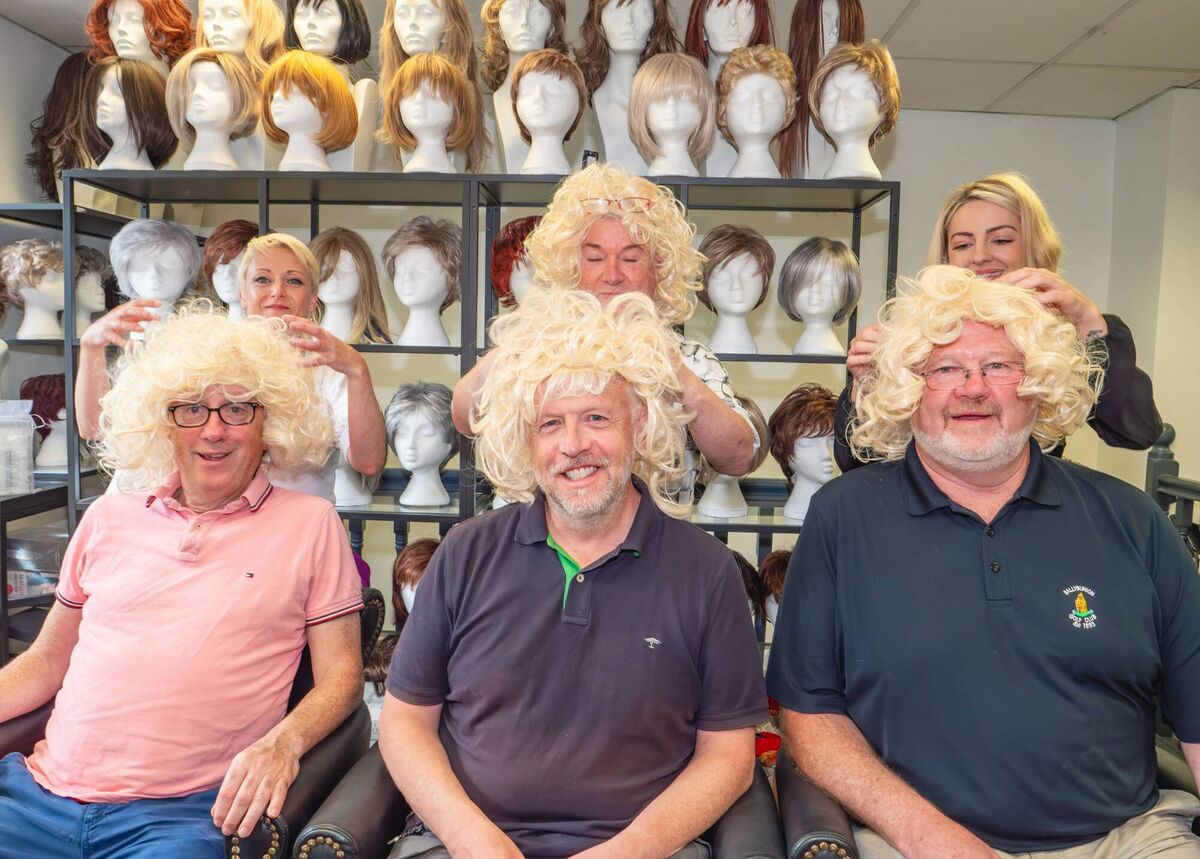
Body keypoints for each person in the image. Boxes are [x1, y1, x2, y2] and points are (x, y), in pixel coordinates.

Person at [767, 265, 1200, 858]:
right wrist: (929, 836)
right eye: (944, 368)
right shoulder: (844, 517)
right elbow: (808, 715)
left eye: (998, 366)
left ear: (1041, 383)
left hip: (1124, 839)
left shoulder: (1132, 519)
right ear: (907, 387)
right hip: (912, 840)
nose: (973, 388)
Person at [381, 289, 767, 858]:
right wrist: (471, 837)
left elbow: (729, 757)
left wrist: (631, 850)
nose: (573, 446)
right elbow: (404, 724)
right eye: (550, 424)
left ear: (638, 421)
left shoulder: (707, 572)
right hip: (460, 844)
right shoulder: (466, 552)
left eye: (595, 417)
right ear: (526, 439)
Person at [0, 306, 364, 854]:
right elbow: (48, 660)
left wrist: (284, 743)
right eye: (191, 409)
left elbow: (343, 674)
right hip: (36, 797)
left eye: (237, 409)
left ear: (269, 423)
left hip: (180, 816)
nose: (214, 430)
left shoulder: (310, 523)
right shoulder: (107, 516)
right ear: (162, 422)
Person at [451, 161, 758, 488]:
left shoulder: (691, 360)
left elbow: (739, 457)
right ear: (571, 266)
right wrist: (518, 348)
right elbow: (466, 417)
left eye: (630, 258)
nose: (612, 275)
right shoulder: (539, 348)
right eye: (595, 258)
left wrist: (676, 375)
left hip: (651, 536)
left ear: (660, 269)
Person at [833, 172, 1161, 472]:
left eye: (1000, 240)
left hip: (1023, 520)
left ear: (1034, 245)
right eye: (962, 244)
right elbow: (857, 462)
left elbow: (1136, 431)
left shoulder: (1055, 338)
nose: (979, 256)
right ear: (946, 257)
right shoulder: (912, 335)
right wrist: (866, 386)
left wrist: (1087, 320)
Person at [75, 230, 387, 503]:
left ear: (312, 299)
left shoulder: (328, 371)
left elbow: (368, 462)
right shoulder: (203, 354)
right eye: (262, 279)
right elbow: (95, 429)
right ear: (242, 293)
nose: (277, 290)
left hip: (291, 539)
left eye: (293, 280)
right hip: (207, 533)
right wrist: (91, 348)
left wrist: (357, 371)